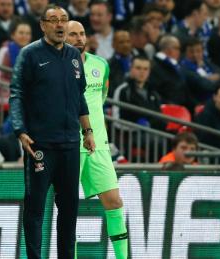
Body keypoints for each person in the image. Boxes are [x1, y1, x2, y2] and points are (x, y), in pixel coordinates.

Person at [9, 5, 95, 258]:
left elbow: (80, 96)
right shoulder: (30, 54)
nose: (60, 25)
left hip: (70, 145)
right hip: (40, 145)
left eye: (64, 20)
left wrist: (87, 131)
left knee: (69, 210)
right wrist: (19, 130)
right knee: (35, 209)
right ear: (43, 25)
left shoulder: (73, 55)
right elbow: (16, 93)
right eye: (54, 20)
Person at [66, 20, 128, 259]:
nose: (79, 38)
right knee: (69, 209)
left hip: (98, 145)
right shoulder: (56, 67)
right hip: (69, 145)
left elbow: (100, 98)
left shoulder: (101, 65)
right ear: (64, 37)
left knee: (114, 201)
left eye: (82, 34)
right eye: (73, 34)